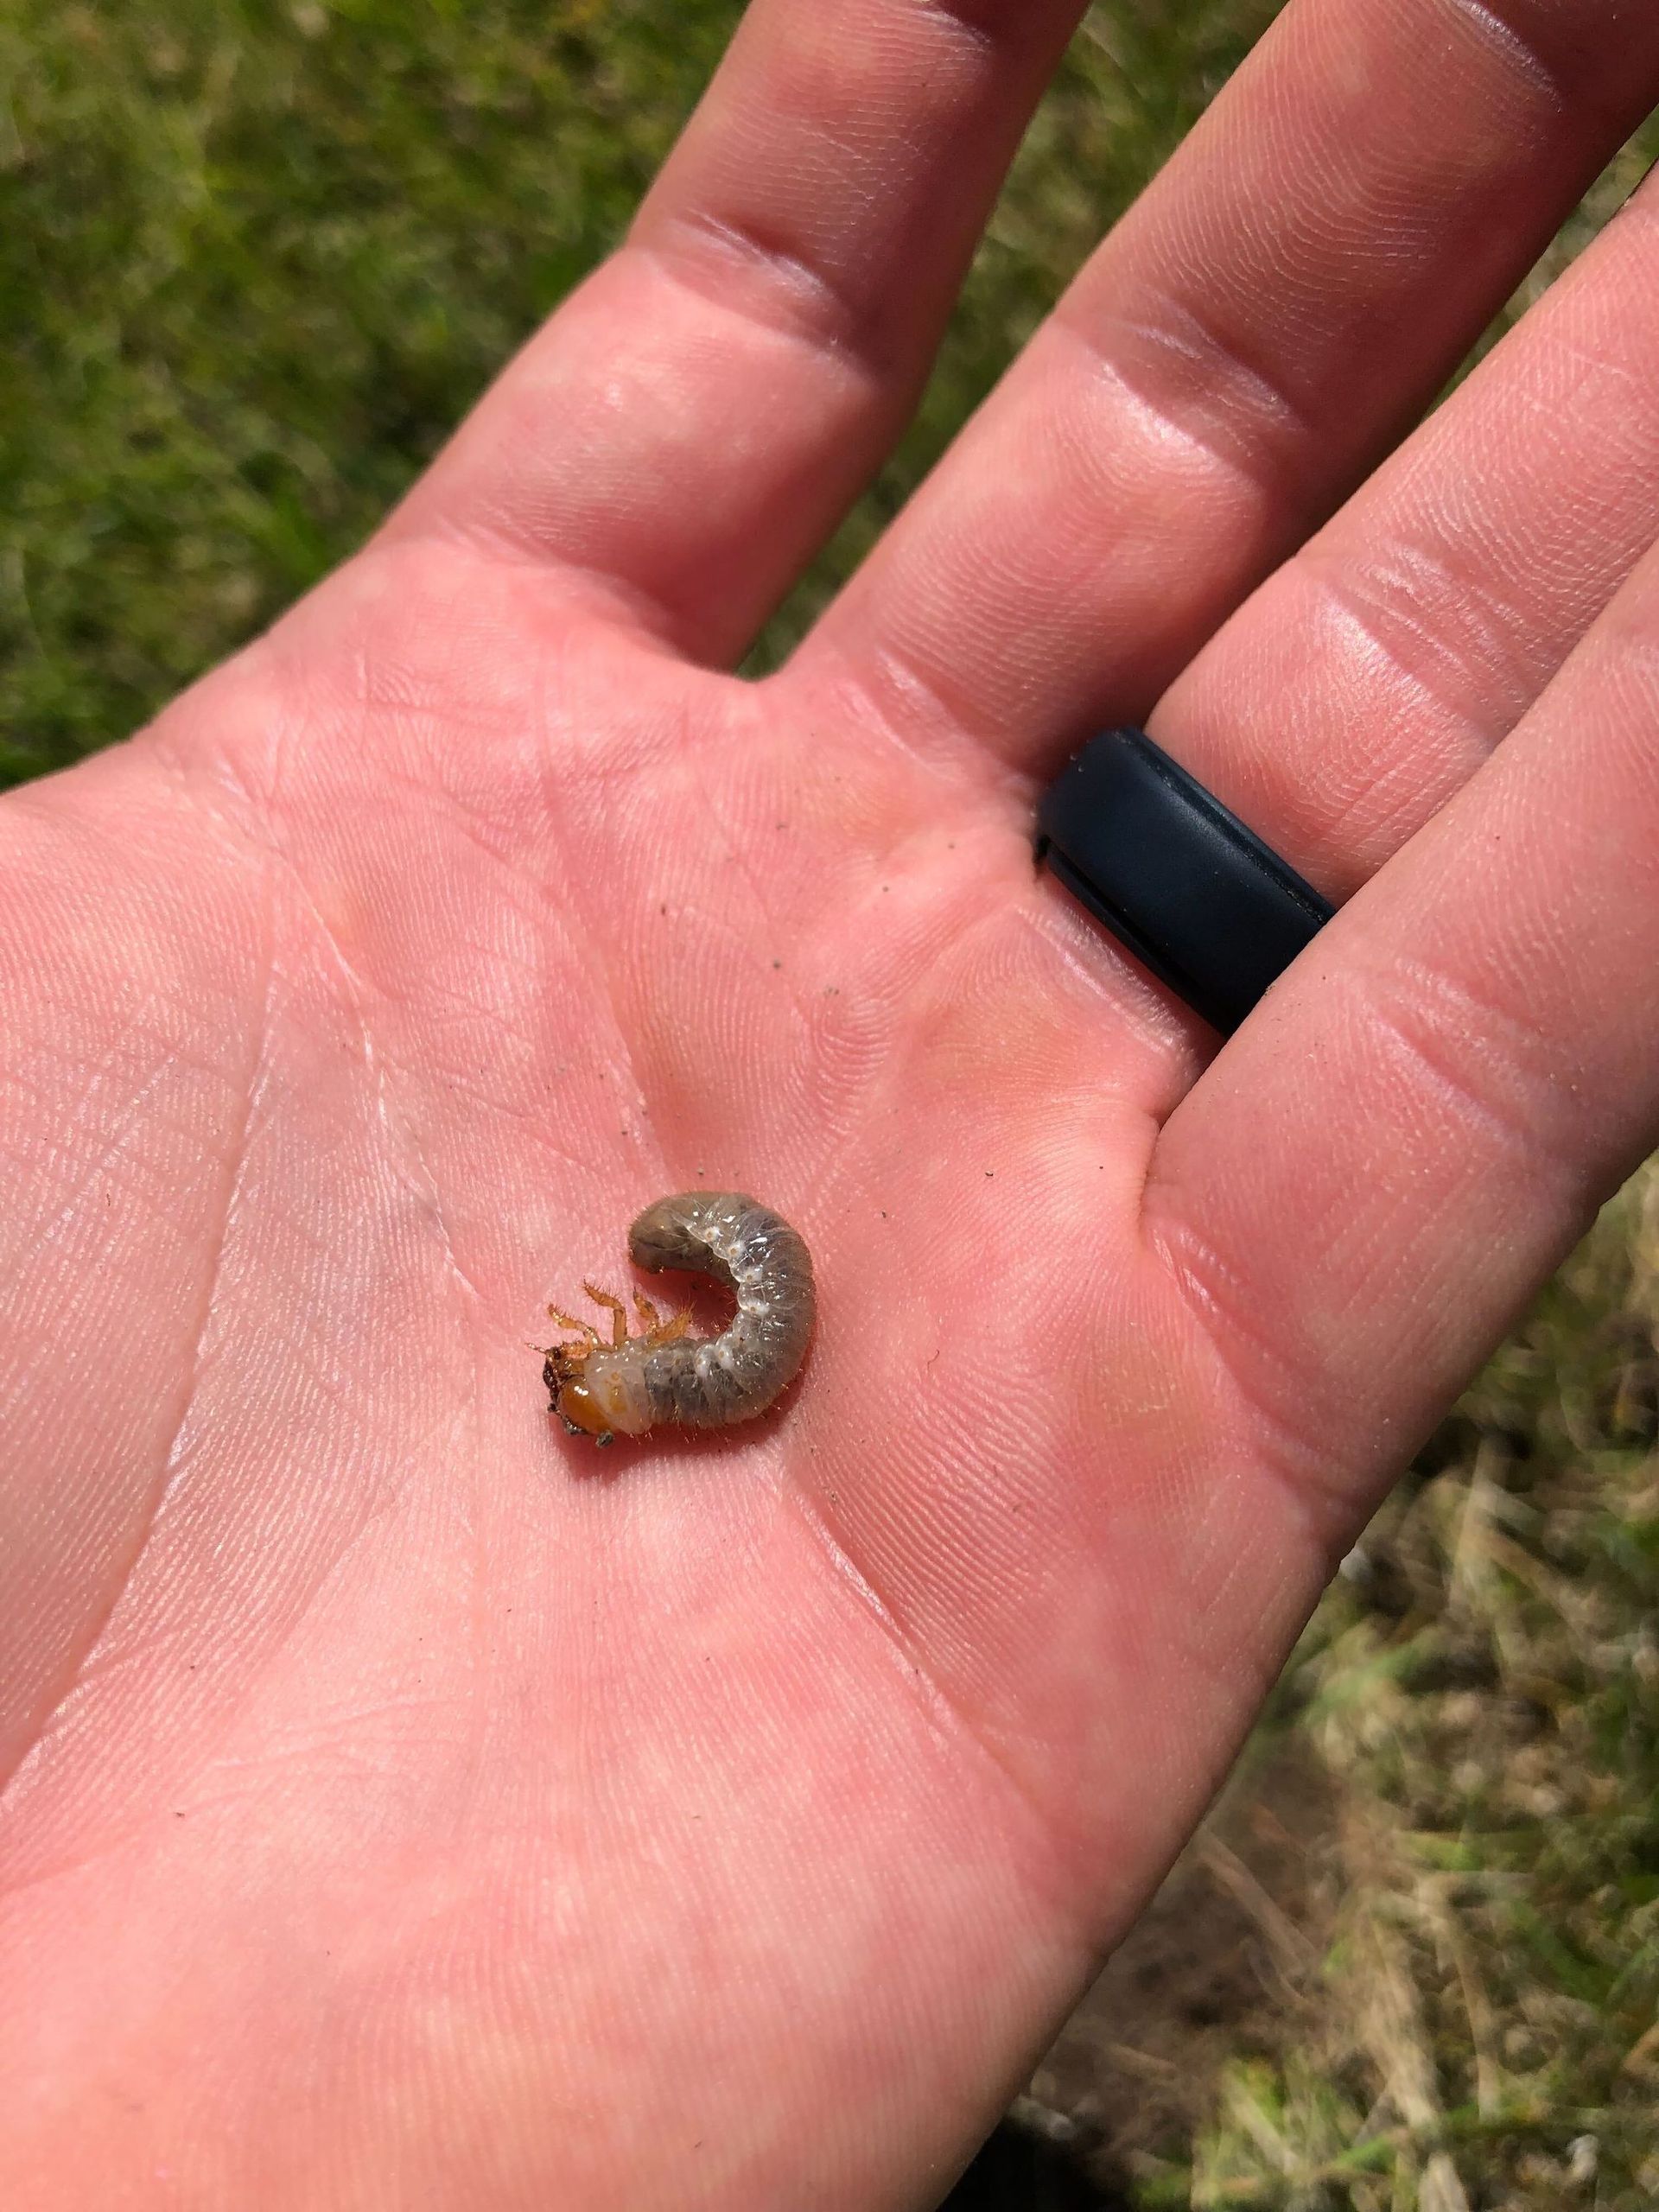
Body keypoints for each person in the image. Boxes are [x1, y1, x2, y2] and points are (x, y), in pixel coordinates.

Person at [3, 0, 1658, 2201]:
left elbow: (723, 1296)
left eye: (636, 1357)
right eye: (635, 1369)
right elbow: (716, 1300)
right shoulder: (701, 1323)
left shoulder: (711, 1316)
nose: (642, 1337)